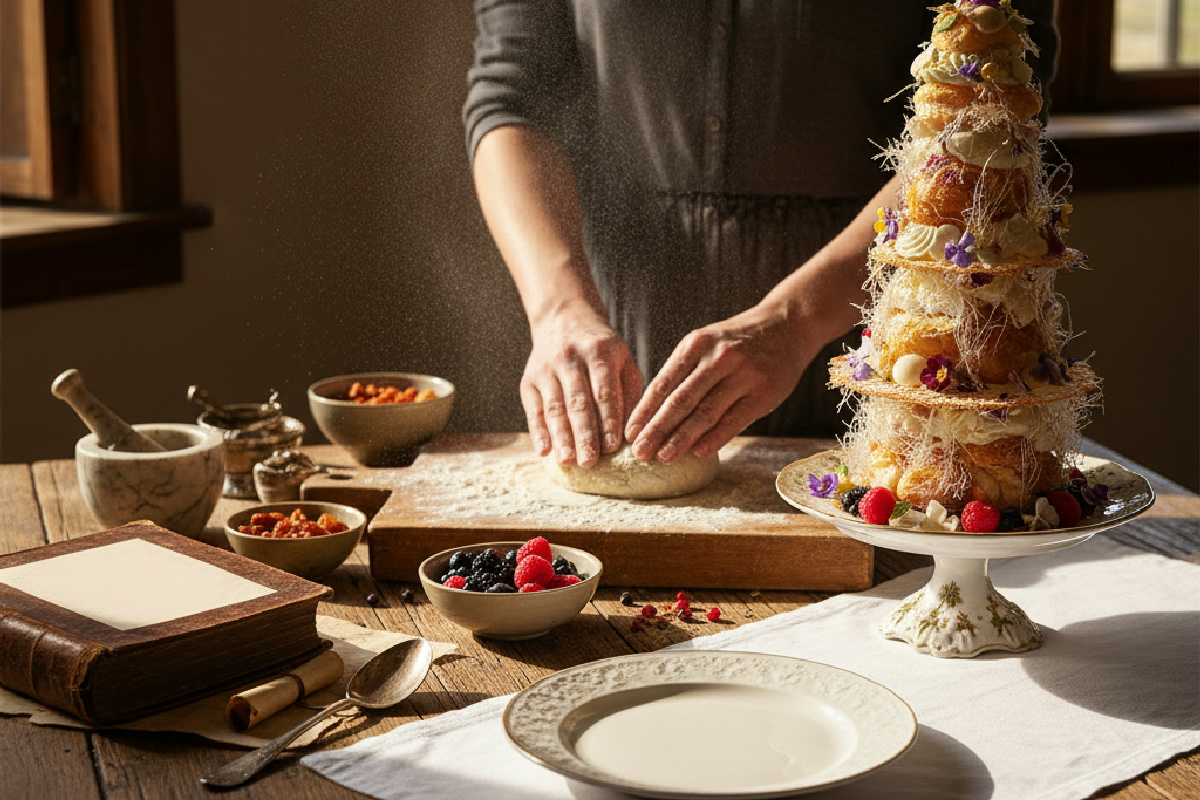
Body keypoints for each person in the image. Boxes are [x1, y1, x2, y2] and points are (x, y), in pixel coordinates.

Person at [464, 0, 1057, 469]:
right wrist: (559, 309)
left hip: (879, 347)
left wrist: (798, 317)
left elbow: (988, 123)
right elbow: (513, 99)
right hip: (624, 342)